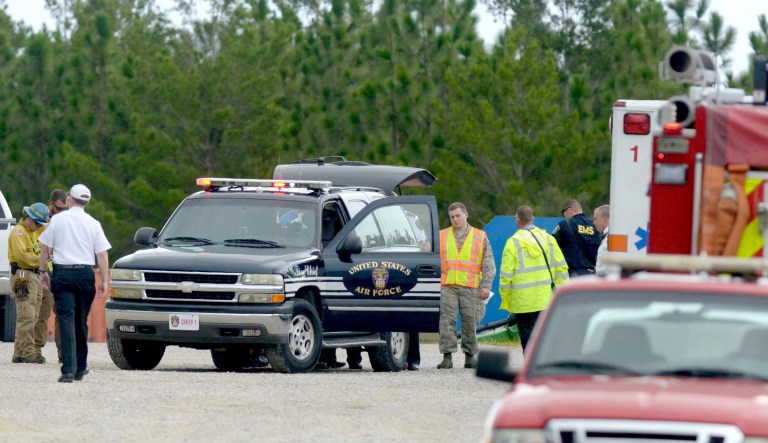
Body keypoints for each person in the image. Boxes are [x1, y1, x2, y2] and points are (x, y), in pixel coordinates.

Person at [38, 184, 111, 383]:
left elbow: (45, 249)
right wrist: (104, 279)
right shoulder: (93, 223)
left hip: (63, 274)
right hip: (85, 275)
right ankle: (81, 367)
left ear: (70, 199)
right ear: (87, 201)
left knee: (66, 320)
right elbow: (102, 254)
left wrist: (43, 271)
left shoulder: (58, 220)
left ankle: (68, 370)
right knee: (81, 321)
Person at [499, 206, 569, 351]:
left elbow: (506, 275)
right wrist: (562, 292)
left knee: (527, 337)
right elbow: (561, 268)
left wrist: (506, 296)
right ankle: (544, 367)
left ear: (518, 219)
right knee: (545, 336)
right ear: (533, 218)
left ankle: (530, 368)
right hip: (545, 298)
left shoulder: (513, 242)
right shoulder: (549, 239)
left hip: (523, 301)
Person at [437, 202, 495, 370]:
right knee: (447, 321)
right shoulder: (442, 236)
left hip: (471, 287)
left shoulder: (480, 236)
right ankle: (447, 357)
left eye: (458, 216)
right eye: (452, 217)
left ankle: (470, 357)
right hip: (448, 286)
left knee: (470, 322)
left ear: (466, 215)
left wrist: (486, 286)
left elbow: (488, 264)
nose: (455, 219)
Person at [8, 202, 50, 364]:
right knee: (26, 315)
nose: (39, 226)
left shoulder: (33, 232)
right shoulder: (18, 233)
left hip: (34, 275)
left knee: (33, 315)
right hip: (23, 276)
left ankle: (19, 351)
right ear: (30, 219)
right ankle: (27, 352)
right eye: (38, 223)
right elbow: (22, 257)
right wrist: (43, 261)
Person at [34, 189, 68, 363]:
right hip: (46, 271)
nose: (61, 212)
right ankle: (35, 350)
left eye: (64, 209)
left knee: (62, 315)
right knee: (42, 312)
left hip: (61, 271)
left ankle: (63, 354)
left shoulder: (66, 222)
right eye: (58, 208)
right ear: (51, 203)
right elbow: (39, 247)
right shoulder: (41, 221)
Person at [552, 199, 600, 277]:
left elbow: (551, 244)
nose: (564, 216)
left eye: (564, 212)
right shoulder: (594, 225)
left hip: (573, 274)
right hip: (592, 273)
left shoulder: (564, 225)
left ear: (569, 210)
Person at [593, 204, 610, 276]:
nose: (594, 223)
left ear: (605, 219)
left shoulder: (611, 239)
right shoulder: (608, 237)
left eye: (595, 219)